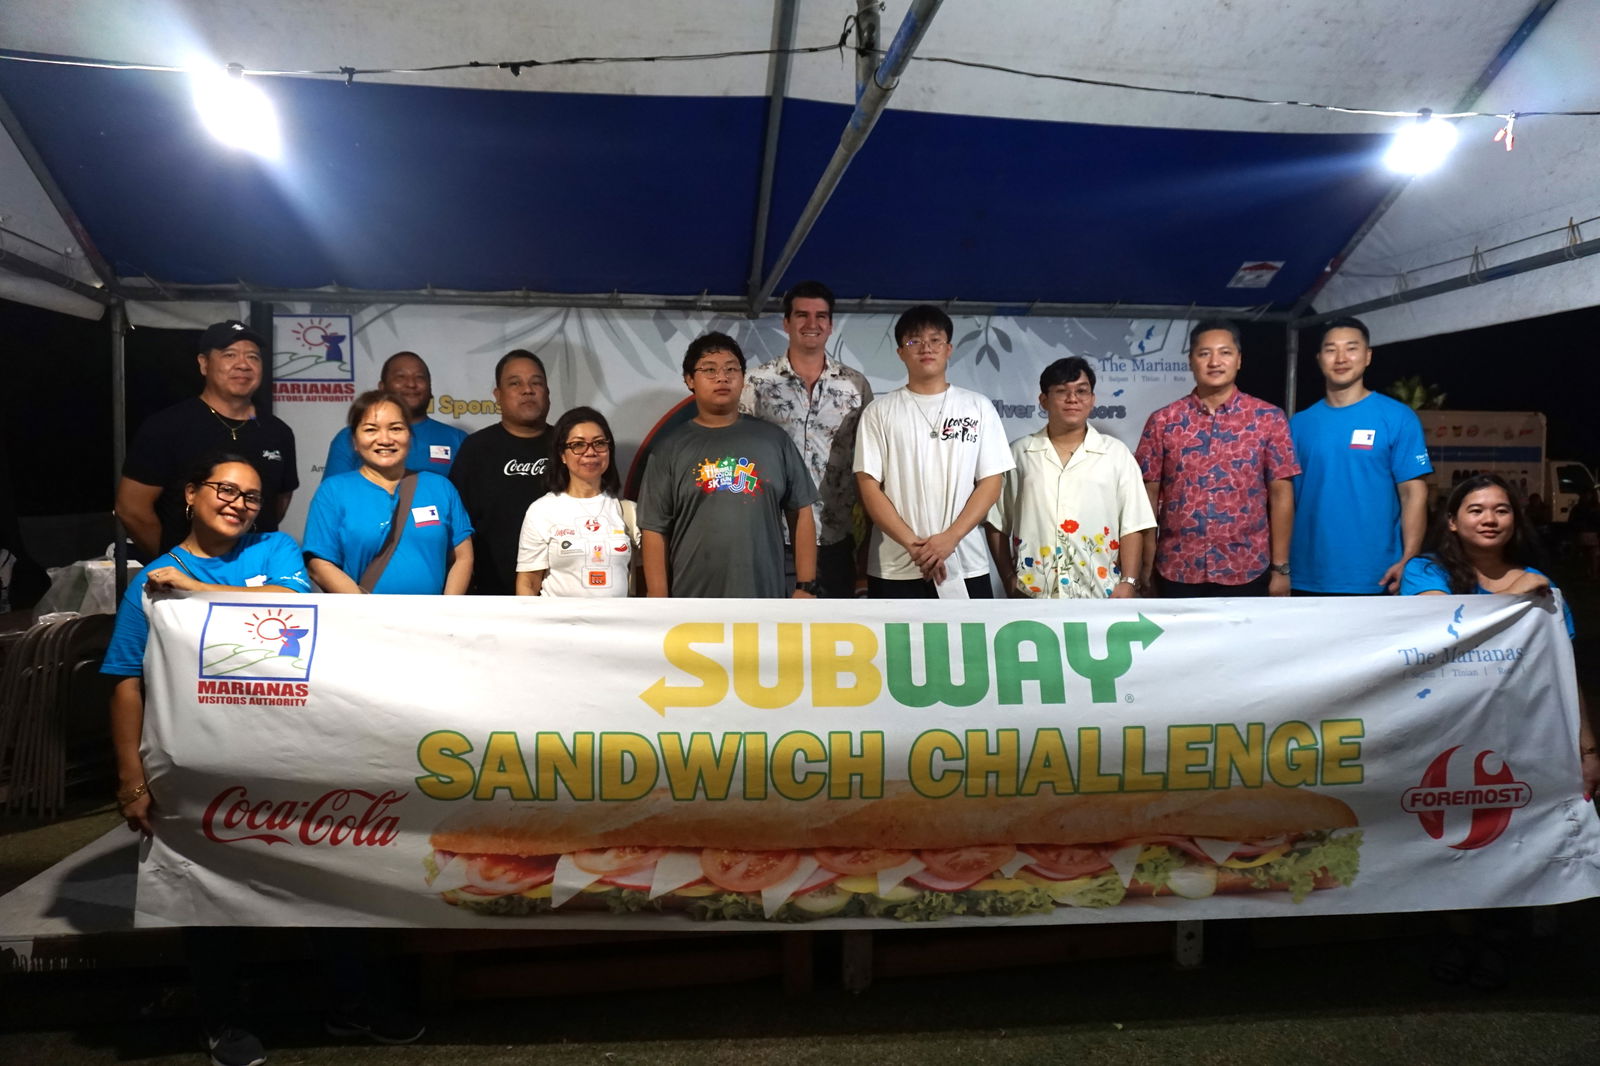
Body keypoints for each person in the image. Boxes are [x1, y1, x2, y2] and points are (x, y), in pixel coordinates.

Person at [101, 452, 323, 1066]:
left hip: (283, 759)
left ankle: (345, 999)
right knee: (207, 893)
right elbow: (125, 679)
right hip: (199, 770)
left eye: (251, 496)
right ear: (192, 495)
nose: (239, 504)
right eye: (225, 490)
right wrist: (130, 780)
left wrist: (199, 591)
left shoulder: (276, 549)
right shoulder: (151, 580)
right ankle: (222, 1019)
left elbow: (298, 600)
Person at [1400, 472, 1600, 989]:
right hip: (1441, 733)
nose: (1489, 519)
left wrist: (1587, 746)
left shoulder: (1539, 579)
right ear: (1452, 520)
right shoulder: (1426, 570)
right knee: (1447, 837)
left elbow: (1564, 667)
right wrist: (1514, 591)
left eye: (1501, 510)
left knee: (1509, 834)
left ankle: (1497, 936)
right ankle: (1458, 934)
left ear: (1516, 519)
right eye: (1475, 509)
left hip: (1518, 735)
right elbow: (1436, 625)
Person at [638, 332, 819, 598]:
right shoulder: (669, 450)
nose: (722, 377)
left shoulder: (774, 441)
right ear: (690, 380)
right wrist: (659, 600)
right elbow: (654, 528)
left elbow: (801, 510)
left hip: (764, 597)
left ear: (743, 378)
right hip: (692, 601)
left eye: (731, 369)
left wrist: (805, 586)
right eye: (709, 370)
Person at [854, 305, 1013, 598]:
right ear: (901, 351)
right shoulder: (879, 411)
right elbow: (869, 487)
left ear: (949, 348)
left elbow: (991, 483)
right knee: (897, 645)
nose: (926, 348)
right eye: (914, 341)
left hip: (963, 562)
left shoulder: (978, 407)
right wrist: (915, 546)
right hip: (895, 566)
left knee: (968, 645)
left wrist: (949, 539)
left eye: (935, 340)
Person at [1135, 319, 1298, 597]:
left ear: (1239, 360)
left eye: (1225, 352)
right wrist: (1146, 563)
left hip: (1247, 567)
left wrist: (1280, 568)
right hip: (1177, 568)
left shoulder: (1269, 418)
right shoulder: (1164, 421)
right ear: (1191, 361)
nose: (1214, 361)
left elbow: (1282, 495)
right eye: (1204, 353)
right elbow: (1147, 495)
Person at [116, 320, 298, 561]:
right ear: (204, 364)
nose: (243, 365)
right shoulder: (166, 426)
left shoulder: (278, 432)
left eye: (253, 357)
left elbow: (277, 504)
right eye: (230, 355)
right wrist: (177, 561)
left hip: (256, 576)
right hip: (186, 582)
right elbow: (131, 508)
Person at [740, 280, 873, 597]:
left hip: (836, 537)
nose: (811, 324)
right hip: (774, 537)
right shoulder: (756, 382)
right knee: (776, 641)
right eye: (801, 315)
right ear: (786, 323)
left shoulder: (855, 385)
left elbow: (870, 460)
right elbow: (741, 457)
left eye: (821, 316)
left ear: (830, 325)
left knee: (834, 641)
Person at [986, 356, 1154, 598]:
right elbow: (996, 521)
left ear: (1092, 399)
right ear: (1044, 400)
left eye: (1081, 391)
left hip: (1100, 591)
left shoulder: (1116, 454)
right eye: (1061, 391)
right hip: (1034, 592)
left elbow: (1133, 523)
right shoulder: (1020, 453)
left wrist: (1128, 581)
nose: (1072, 398)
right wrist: (1008, 578)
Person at [1289, 317, 1431, 595]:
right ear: (1319, 359)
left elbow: (1413, 494)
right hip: (1306, 575)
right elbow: (1284, 500)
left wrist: (1409, 559)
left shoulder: (1398, 417)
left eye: (1351, 348)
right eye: (1331, 350)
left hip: (1378, 576)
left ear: (1367, 356)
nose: (1341, 358)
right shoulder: (1297, 424)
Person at [304, 390, 473, 594]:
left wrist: (446, 612)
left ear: (410, 436)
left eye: (395, 428)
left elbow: (463, 556)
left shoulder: (440, 487)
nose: (384, 439)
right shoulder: (333, 491)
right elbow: (319, 565)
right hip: (362, 622)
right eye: (371, 430)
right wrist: (368, 614)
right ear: (355, 441)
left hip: (432, 622)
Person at [451, 349, 553, 594]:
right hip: (491, 595)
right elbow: (456, 529)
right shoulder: (476, 448)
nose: (527, 390)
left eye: (536, 382)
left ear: (548, 392)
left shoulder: (569, 446)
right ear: (498, 395)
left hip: (562, 596)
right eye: (515, 383)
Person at [515, 406, 636, 596]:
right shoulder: (542, 510)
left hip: (616, 624)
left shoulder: (628, 511)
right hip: (558, 624)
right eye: (578, 445)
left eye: (599, 443)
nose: (590, 452)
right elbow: (528, 583)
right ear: (562, 454)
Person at [322, 351, 467, 477]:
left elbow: (466, 501)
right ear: (382, 387)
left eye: (420, 377)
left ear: (430, 388)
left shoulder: (458, 439)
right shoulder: (352, 437)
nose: (411, 384)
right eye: (400, 377)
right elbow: (334, 500)